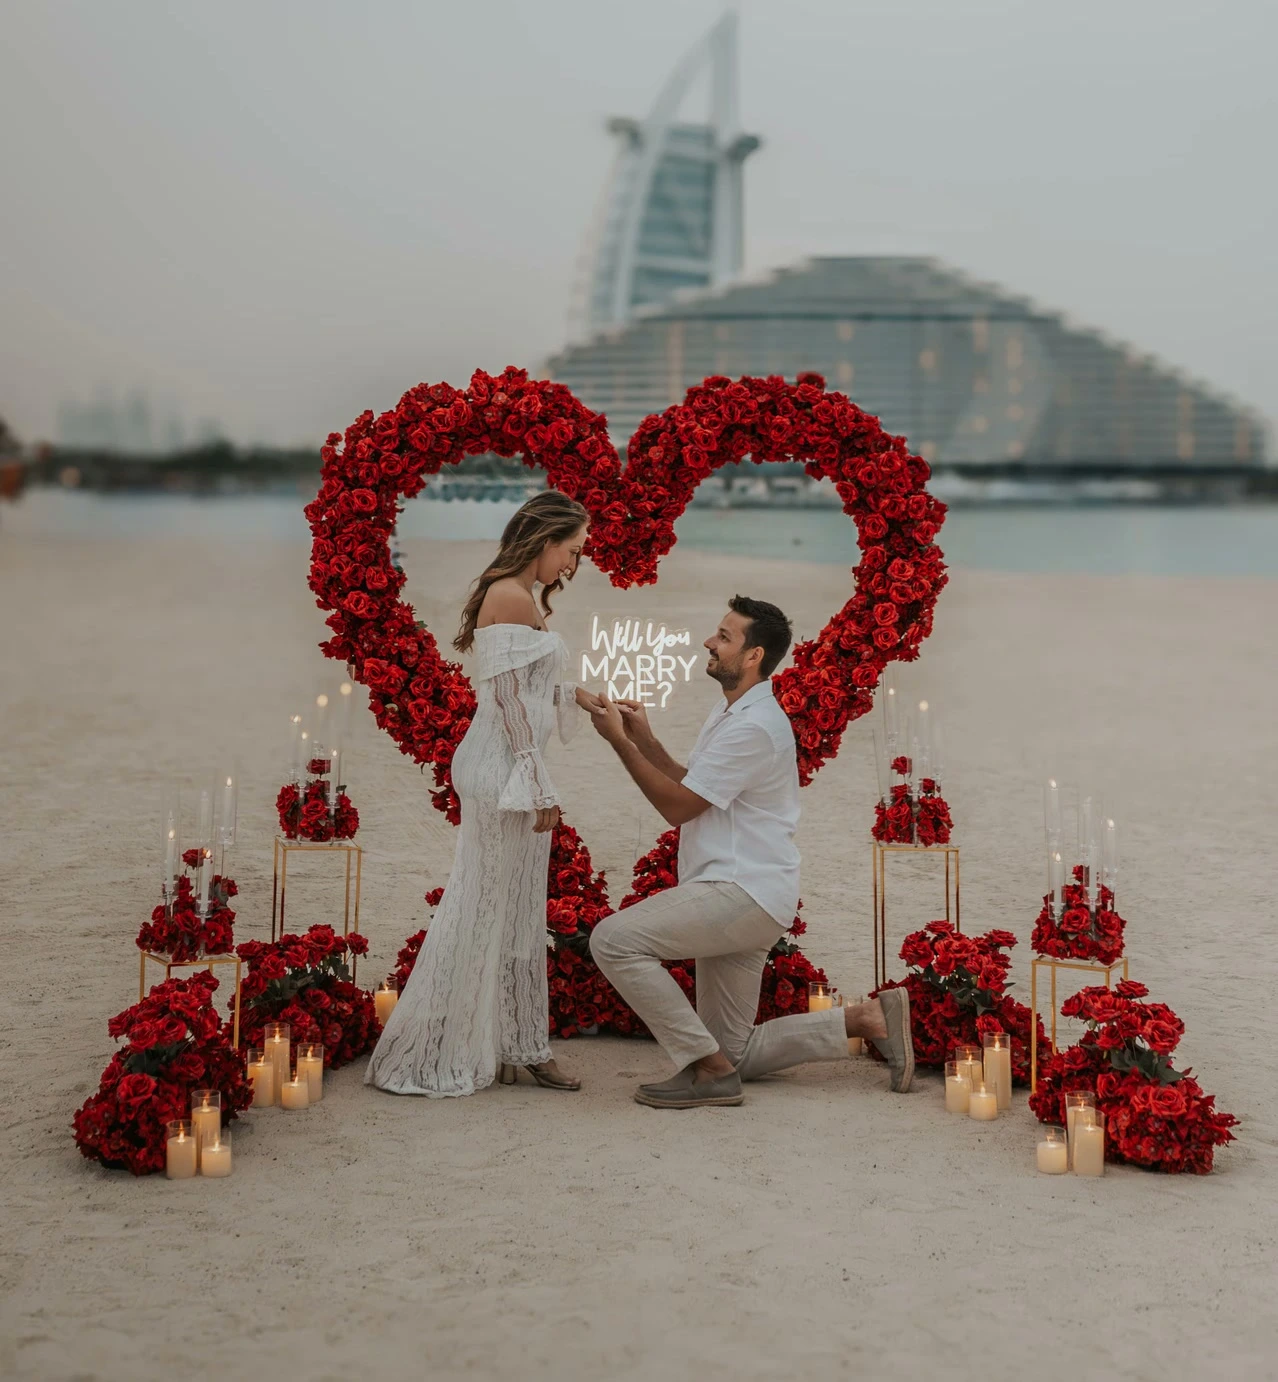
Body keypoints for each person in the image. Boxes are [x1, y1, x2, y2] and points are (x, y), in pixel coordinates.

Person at [587, 595, 913, 1109]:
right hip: (744, 891)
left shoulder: (754, 726)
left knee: (613, 940)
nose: (709, 642)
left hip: (739, 891)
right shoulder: (733, 710)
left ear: (754, 655)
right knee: (733, 1051)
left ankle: (705, 1070)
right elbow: (696, 785)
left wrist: (617, 743)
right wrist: (643, 738)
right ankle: (865, 1019)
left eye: (723, 636)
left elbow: (679, 808)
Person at [366, 490, 601, 1097]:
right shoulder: (508, 594)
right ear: (544, 539)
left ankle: (522, 1045)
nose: (573, 564)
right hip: (503, 771)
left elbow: (528, 687)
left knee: (520, 908)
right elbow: (503, 701)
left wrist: (583, 698)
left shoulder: (522, 595)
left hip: (511, 766)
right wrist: (538, 781)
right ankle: (444, 1049)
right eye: (571, 550)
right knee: (484, 903)